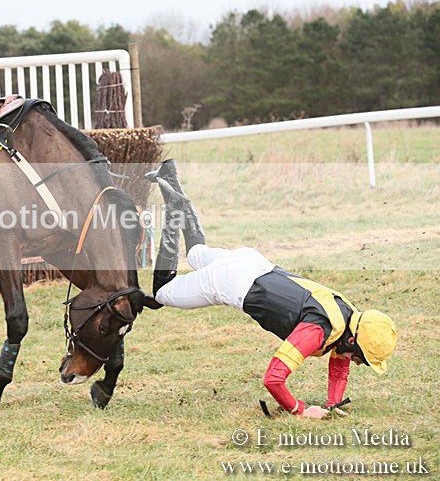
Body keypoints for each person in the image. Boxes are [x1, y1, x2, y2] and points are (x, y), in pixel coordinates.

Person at [146, 159, 397, 419]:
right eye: (361, 358)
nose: (357, 363)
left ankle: (170, 176)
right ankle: (175, 209)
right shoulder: (318, 331)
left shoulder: (348, 315)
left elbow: (340, 362)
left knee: (196, 252)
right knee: (162, 291)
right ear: (353, 340)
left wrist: (332, 404)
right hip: (230, 282)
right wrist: (299, 410)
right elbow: (273, 379)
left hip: (252, 261)